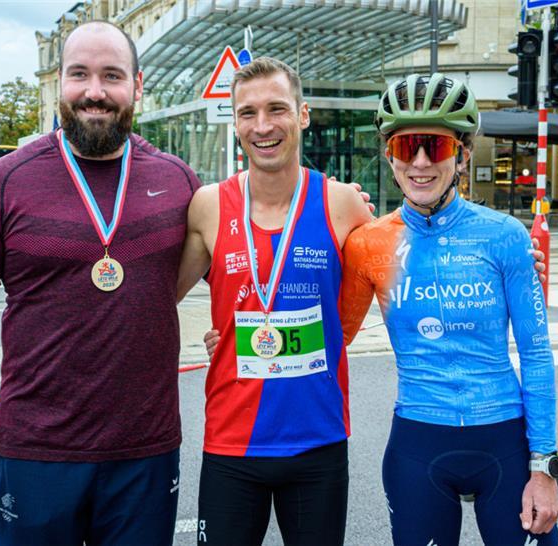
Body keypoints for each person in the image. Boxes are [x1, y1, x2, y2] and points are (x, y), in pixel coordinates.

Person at [0, 21, 201, 545]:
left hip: (145, 454)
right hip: (36, 453)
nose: (95, 92)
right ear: (60, 82)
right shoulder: (1, 184)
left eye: (111, 76)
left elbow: (249, 262)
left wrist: (336, 208)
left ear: (138, 86)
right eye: (79, 74)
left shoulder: (178, 182)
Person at [339, 73, 558, 545]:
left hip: (505, 442)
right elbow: (333, 339)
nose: (420, 163)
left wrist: (544, 467)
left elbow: (537, 354)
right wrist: (241, 336)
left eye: (435, 147)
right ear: (389, 156)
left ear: (461, 155)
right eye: (406, 147)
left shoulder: (505, 236)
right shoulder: (368, 243)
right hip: (417, 446)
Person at [177, 57, 374, 545]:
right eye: (248, 113)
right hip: (231, 443)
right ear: (234, 121)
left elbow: (400, 280)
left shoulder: (341, 204)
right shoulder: (207, 205)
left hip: (317, 442)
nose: (262, 126)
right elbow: (157, 296)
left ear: (303, 115)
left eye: (276, 109)